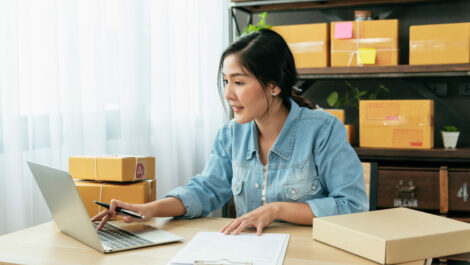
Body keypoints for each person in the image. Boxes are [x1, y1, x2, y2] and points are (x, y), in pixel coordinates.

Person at [92, 28, 368, 235]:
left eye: (238, 82)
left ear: (274, 85)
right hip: (253, 253)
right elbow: (205, 190)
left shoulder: (323, 130)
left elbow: (353, 206)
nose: (227, 94)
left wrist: (276, 210)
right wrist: (149, 210)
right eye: (225, 81)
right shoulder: (230, 135)